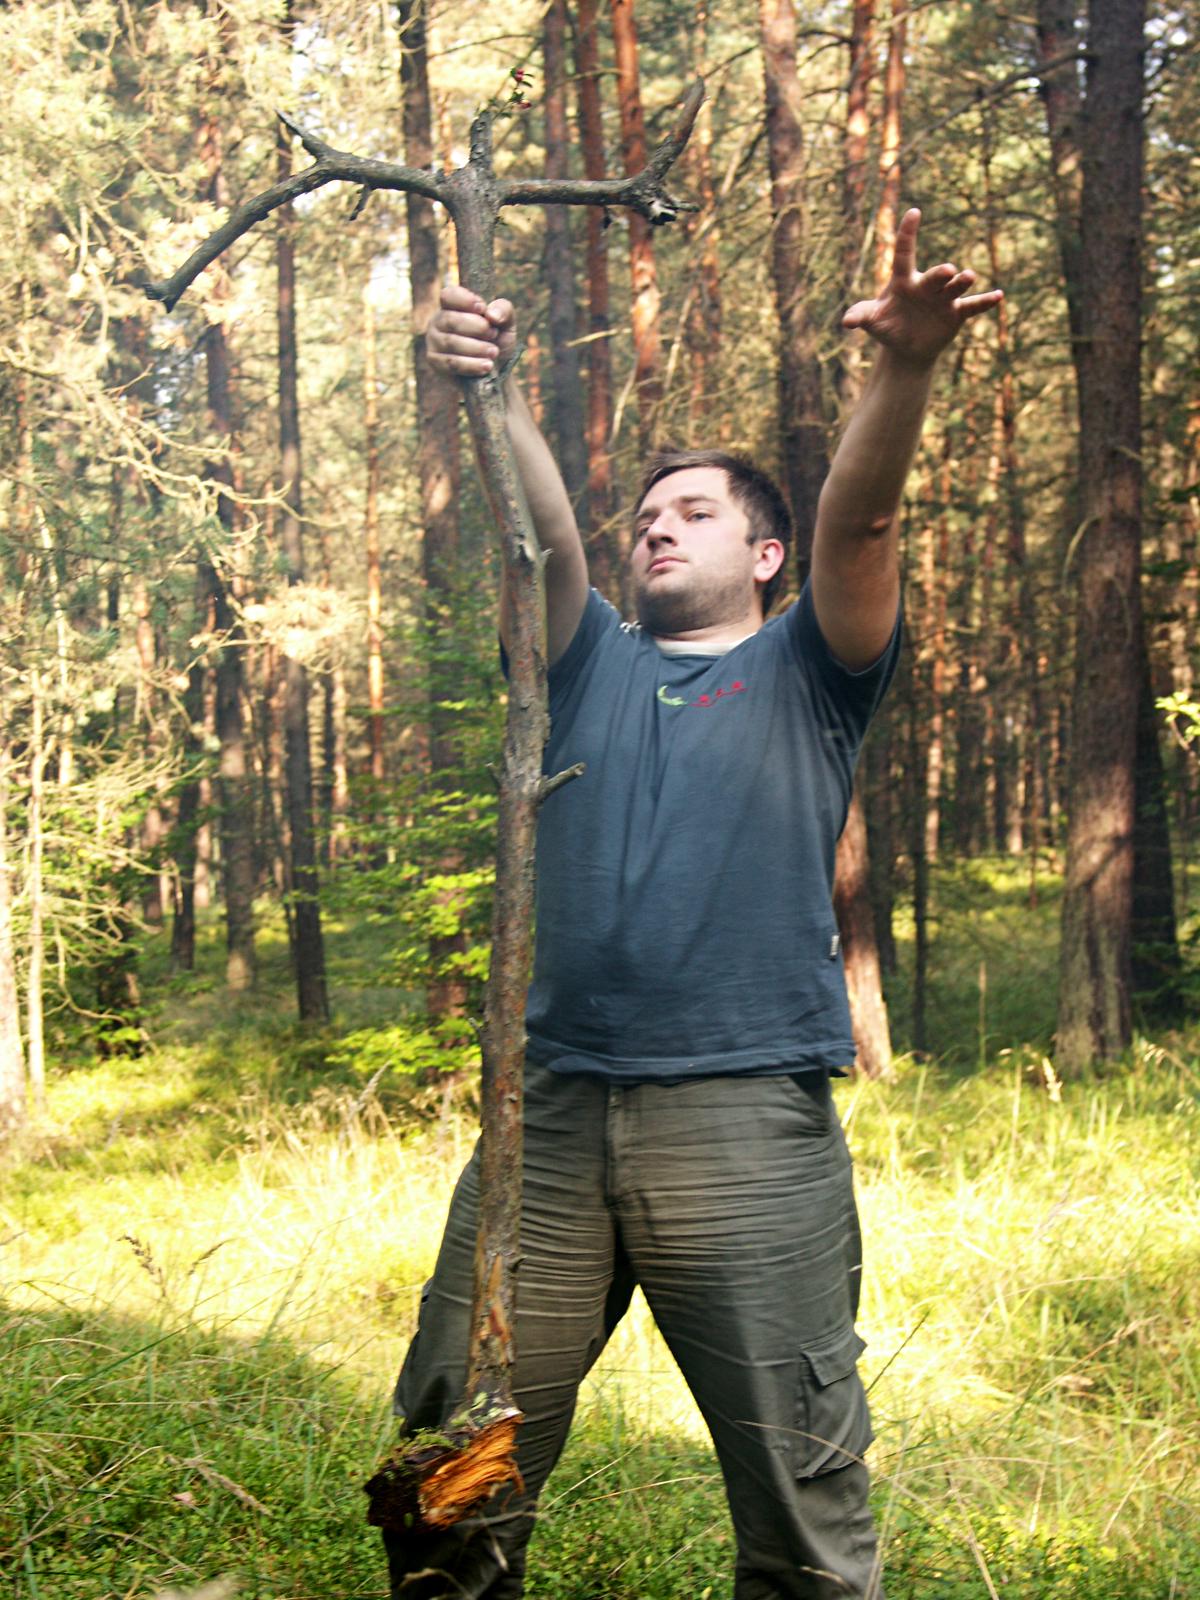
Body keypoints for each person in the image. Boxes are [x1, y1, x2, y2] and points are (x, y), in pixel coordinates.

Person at [386, 209, 1001, 1600]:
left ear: (766, 556)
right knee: (452, 1462)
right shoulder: (586, 663)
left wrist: (903, 369)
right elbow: (548, 541)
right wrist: (490, 384)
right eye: (648, 516)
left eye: (696, 512)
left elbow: (862, 521)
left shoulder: (811, 671)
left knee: (801, 1487)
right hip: (545, 1120)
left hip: (742, 1122)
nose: (657, 526)